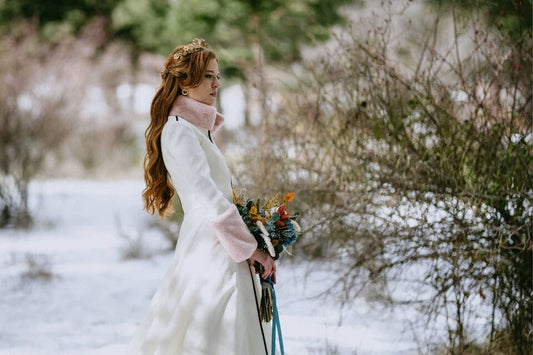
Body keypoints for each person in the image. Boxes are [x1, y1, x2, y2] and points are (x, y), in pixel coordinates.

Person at [128, 38, 276, 355]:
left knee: (222, 325)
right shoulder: (179, 129)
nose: (216, 84)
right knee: (212, 327)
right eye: (208, 76)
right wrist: (250, 248)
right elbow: (207, 196)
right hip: (212, 244)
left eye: (217, 76)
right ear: (184, 83)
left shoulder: (193, 129)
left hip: (220, 241)